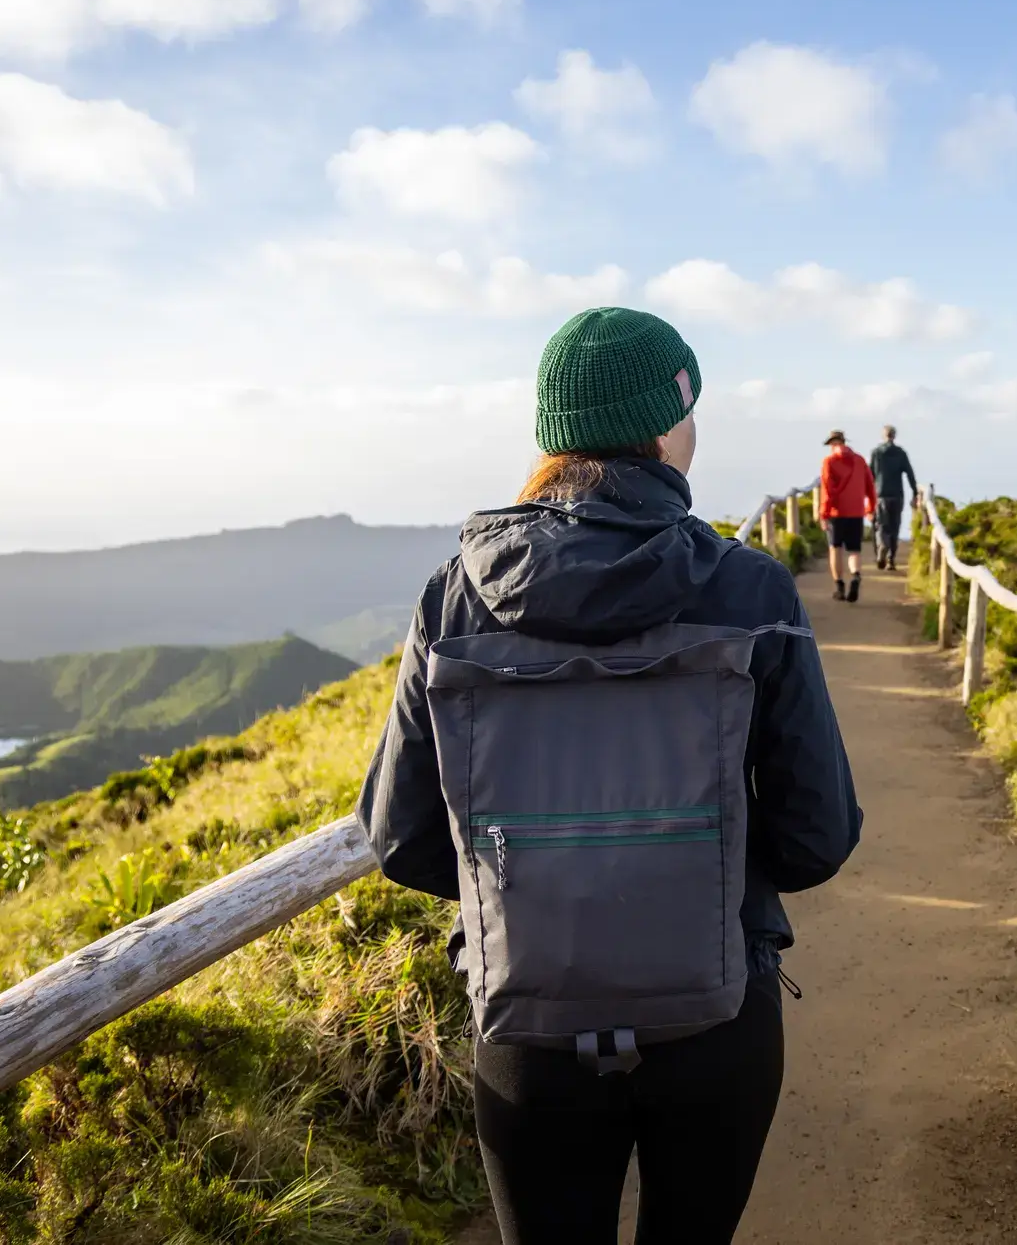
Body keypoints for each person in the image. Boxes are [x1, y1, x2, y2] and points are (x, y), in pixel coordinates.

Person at [358, 307, 862, 1245]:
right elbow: (816, 839)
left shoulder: (453, 593)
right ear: (667, 427)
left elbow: (400, 838)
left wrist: (536, 889)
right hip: (716, 1019)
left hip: (526, 1031)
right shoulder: (750, 591)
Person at [817, 429, 877, 602]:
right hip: (856, 511)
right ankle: (856, 576)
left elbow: (827, 490)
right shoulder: (860, 460)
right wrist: (870, 508)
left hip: (837, 512)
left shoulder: (829, 462)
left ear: (832, 444)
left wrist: (824, 514)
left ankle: (839, 586)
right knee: (854, 551)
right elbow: (870, 486)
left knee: (835, 548)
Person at [867, 425, 917, 571]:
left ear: (884, 436)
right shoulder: (900, 453)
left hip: (880, 494)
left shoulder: (876, 453)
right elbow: (910, 473)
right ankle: (890, 560)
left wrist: (867, 495)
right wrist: (914, 492)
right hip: (897, 495)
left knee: (881, 525)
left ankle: (882, 545)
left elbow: (870, 476)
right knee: (895, 527)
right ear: (894, 436)